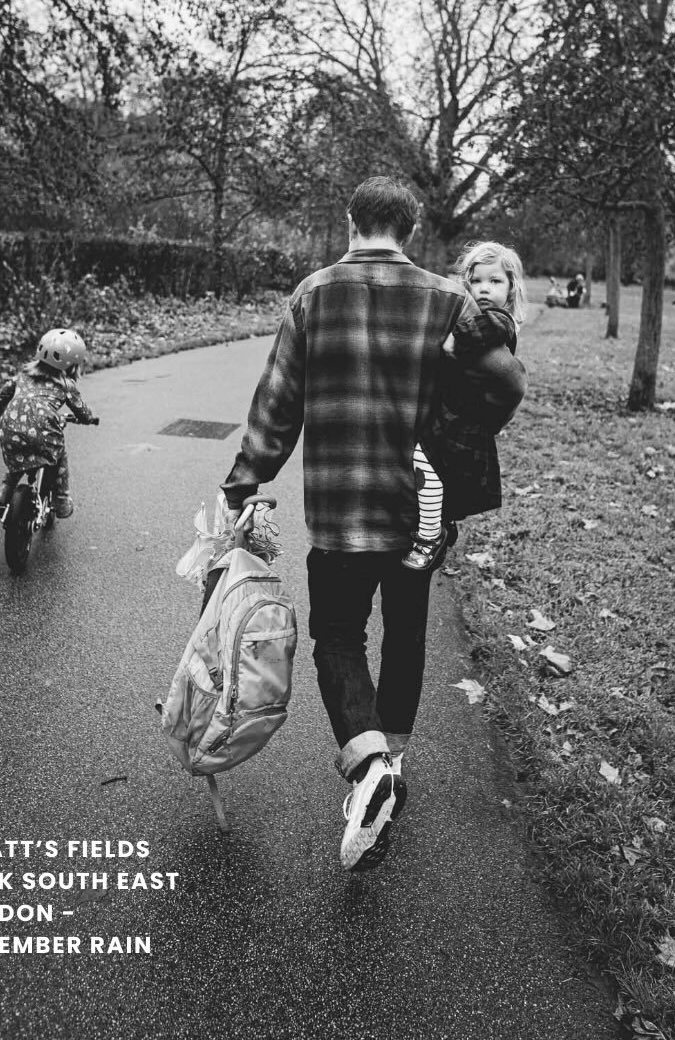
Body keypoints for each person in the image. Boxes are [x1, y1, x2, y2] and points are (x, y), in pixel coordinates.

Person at [220, 178, 526, 871]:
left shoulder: (314, 293)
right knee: (407, 636)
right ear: (411, 230)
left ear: (351, 219)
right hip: (421, 506)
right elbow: (507, 383)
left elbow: (277, 403)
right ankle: (392, 760)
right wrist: (467, 436)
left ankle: (368, 767)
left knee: (337, 636)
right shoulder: (449, 303)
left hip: (340, 506)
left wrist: (245, 481)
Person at [404, 240, 527, 571]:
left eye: (495, 281)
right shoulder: (473, 313)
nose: (485, 289)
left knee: (423, 462)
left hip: (463, 419)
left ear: (511, 288)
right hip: (449, 412)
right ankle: (442, 522)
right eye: (477, 281)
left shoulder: (499, 320)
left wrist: (455, 337)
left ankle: (430, 536)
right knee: (438, 474)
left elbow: (487, 328)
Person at [0, 328, 96, 518]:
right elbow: (81, 410)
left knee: (20, 458)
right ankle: (61, 499)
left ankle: (3, 493)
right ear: (73, 364)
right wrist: (88, 419)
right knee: (59, 455)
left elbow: (2, 395)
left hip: (9, 428)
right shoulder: (65, 385)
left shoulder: (22, 376)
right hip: (44, 433)